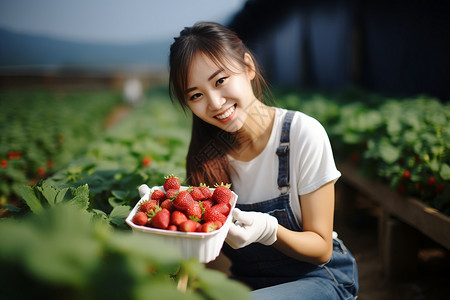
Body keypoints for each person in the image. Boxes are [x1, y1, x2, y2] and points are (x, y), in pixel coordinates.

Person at [168, 21, 358, 299]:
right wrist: (167, 229)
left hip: (320, 279)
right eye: (196, 95)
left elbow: (321, 249)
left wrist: (270, 230)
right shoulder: (205, 160)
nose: (215, 102)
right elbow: (213, 257)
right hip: (250, 284)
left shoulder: (301, 134)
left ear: (247, 67)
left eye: (220, 81)